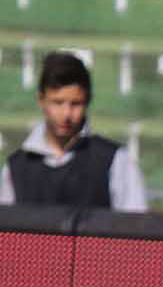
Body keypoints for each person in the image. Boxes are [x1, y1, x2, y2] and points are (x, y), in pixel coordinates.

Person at [0, 51, 147, 211]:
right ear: (41, 100)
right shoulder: (16, 167)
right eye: (58, 102)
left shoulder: (116, 161)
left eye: (75, 104)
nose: (67, 114)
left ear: (87, 102)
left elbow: (137, 227)